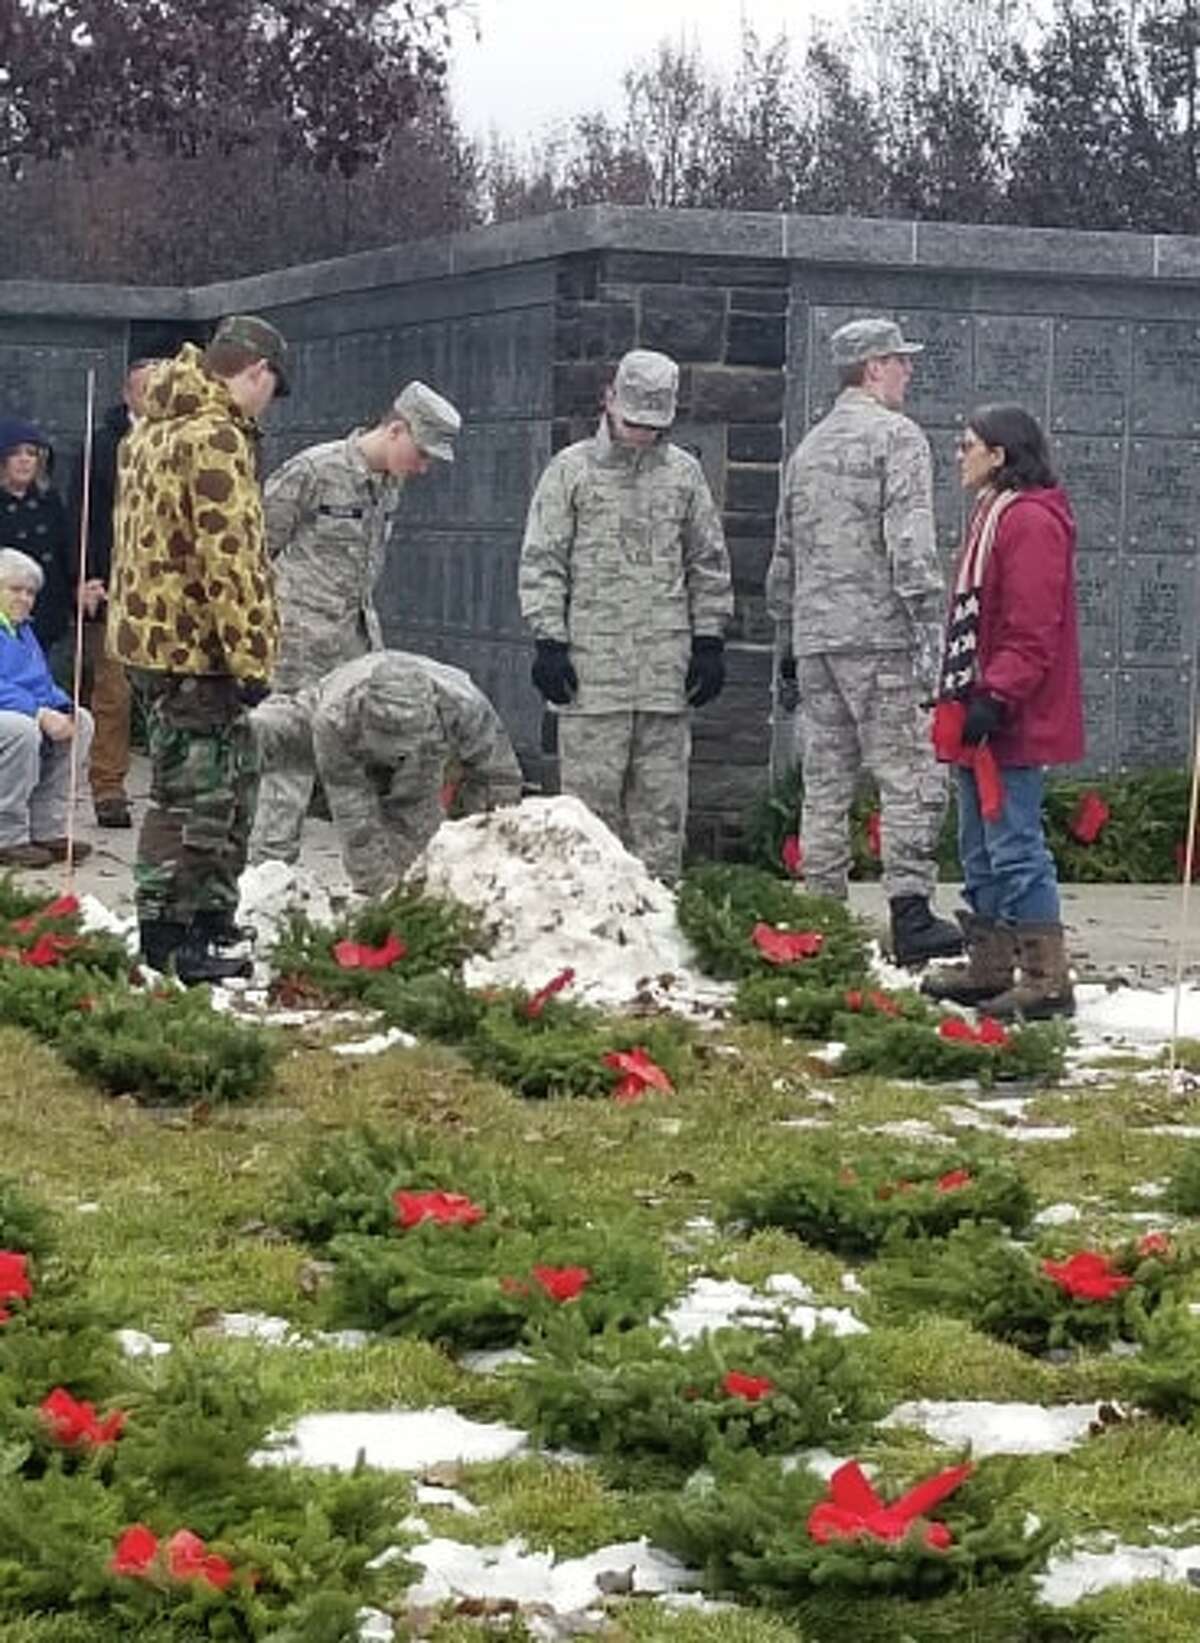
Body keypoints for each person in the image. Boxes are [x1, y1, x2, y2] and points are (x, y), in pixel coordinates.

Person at [766, 316, 962, 965]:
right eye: (900, 361)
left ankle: (820, 914)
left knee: (826, 782)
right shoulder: (897, 437)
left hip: (818, 637)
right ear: (873, 368)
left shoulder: (809, 449)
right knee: (909, 774)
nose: (908, 370)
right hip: (882, 635)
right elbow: (910, 542)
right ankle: (910, 912)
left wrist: (790, 644)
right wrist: (931, 630)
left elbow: (784, 558)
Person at [108, 315, 287, 983]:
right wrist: (252, 656)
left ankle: (210, 916)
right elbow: (231, 556)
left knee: (230, 780)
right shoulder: (213, 435)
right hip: (194, 650)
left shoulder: (153, 428)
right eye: (272, 388)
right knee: (192, 795)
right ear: (256, 373)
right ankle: (167, 933)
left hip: (152, 640)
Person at [519, 348, 732, 884]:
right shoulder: (570, 472)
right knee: (587, 829)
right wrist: (549, 640)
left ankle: (658, 939)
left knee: (661, 828)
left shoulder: (684, 476)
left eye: (652, 424)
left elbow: (707, 561)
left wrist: (709, 639)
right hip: (593, 680)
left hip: (665, 677)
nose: (640, 433)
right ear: (608, 399)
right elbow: (543, 560)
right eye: (633, 421)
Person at [924, 404, 1083, 1019]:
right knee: (979, 846)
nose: (958, 455)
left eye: (968, 446)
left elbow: (1032, 627)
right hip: (980, 704)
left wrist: (996, 693)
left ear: (1000, 455)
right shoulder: (992, 515)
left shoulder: (1030, 522)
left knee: (1015, 844)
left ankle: (1047, 977)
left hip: (1011, 713)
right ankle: (990, 964)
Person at [249, 650, 523, 896]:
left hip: (423, 758)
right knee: (279, 735)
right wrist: (377, 891)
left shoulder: (466, 708)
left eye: (398, 747)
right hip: (340, 746)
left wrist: (491, 855)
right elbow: (354, 813)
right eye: (385, 741)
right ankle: (264, 884)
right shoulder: (335, 717)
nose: (391, 754)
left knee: (417, 851)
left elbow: (499, 778)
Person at [264, 381, 462, 693]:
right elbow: (257, 551)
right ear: (395, 430)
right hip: (296, 656)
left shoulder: (389, 486)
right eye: (421, 453)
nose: (423, 467)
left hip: (354, 650)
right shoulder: (315, 470)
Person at [68, 359, 160, 829]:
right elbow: (84, 516)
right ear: (128, 394)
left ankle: (173, 786)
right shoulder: (102, 446)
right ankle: (108, 786)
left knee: (168, 693)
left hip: (164, 588)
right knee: (113, 691)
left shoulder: (181, 442)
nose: (153, 396)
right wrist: (85, 576)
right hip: (115, 582)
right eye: (145, 388)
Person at [0, 547, 93, 869]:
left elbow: (40, 682)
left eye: (30, 593)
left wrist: (62, 706)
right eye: (15, 590)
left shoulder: (23, 630)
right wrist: (38, 713)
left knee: (81, 720)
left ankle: (46, 828)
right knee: (20, 729)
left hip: (16, 708)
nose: (24, 599)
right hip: (11, 714)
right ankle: (7, 836)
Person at [0, 420, 72, 659]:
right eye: (15, 453)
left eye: (31, 453)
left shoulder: (50, 500)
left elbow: (67, 548)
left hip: (49, 609)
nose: (24, 460)